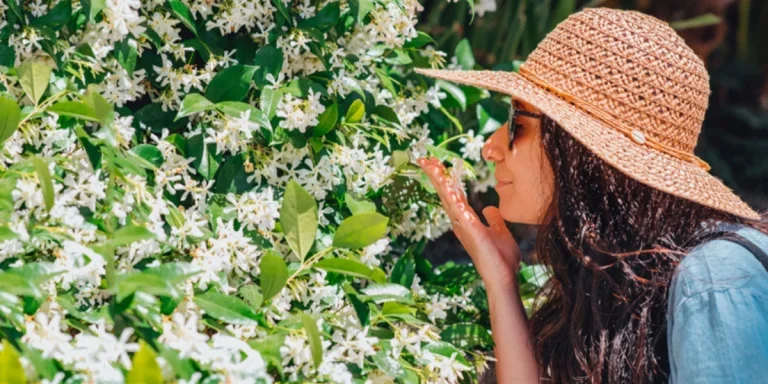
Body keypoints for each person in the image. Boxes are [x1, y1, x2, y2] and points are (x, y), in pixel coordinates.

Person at [414, 7, 768, 384]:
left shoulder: (713, 280)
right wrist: (500, 280)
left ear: (580, 150)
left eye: (517, 124)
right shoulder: (616, 274)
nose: (490, 147)